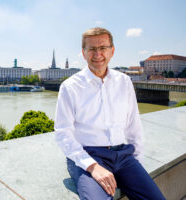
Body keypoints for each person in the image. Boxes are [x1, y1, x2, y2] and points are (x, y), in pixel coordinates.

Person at [54, 27, 165, 200]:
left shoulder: (124, 81)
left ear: (112, 51)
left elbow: (133, 125)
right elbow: (62, 133)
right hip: (88, 156)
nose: (98, 54)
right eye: (92, 49)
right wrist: (92, 166)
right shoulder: (70, 87)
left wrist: (137, 164)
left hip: (124, 156)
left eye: (103, 48)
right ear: (83, 53)